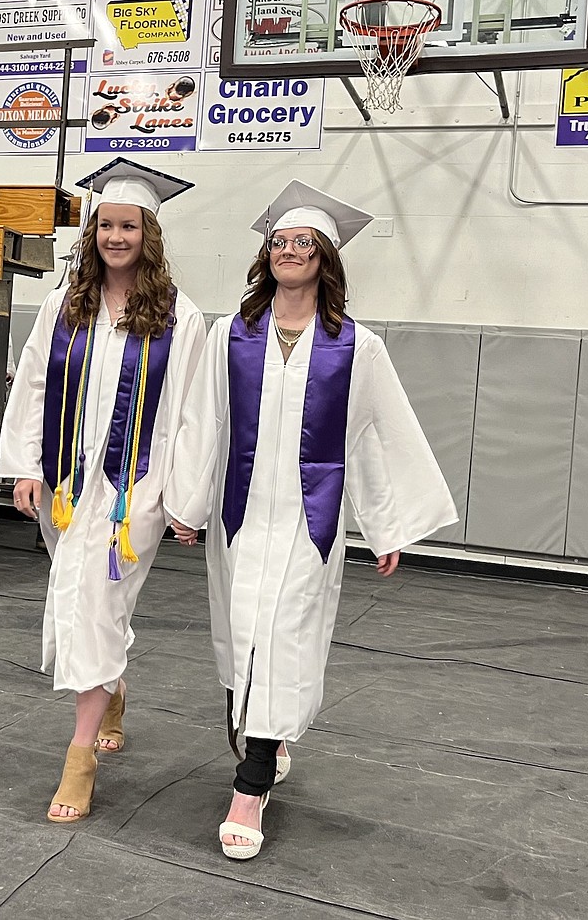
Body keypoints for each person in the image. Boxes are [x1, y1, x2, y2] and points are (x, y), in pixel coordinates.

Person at [165, 181, 458, 861]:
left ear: (325, 259)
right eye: (279, 241)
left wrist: (387, 523)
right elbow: (203, 422)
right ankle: (265, 731)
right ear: (266, 256)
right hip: (241, 517)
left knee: (285, 633)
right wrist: (187, 502)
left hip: (307, 522)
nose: (289, 250)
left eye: (303, 243)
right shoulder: (229, 333)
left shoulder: (357, 345)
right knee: (243, 638)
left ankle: (250, 781)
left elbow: (379, 435)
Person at [0, 159, 207, 823]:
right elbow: (33, 384)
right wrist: (25, 465)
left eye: (129, 226)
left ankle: (79, 754)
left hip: (133, 491)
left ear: (149, 233)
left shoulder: (181, 316)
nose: (116, 236)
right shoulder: (66, 304)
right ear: (92, 232)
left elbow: (196, 411)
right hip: (63, 483)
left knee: (96, 603)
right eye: (107, 224)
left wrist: (183, 498)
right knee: (89, 602)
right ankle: (112, 685)